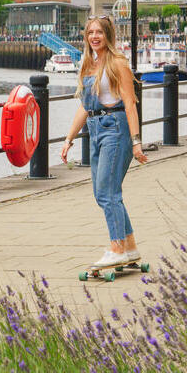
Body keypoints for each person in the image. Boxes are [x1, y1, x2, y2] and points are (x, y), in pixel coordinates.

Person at [61, 15, 148, 268]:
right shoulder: (88, 64)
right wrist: (69, 139)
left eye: (99, 32)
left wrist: (136, 142)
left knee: (109, 193)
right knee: (103, 194)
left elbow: (130, 104)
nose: (94, 37)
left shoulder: (118, 63)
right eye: (90, 33)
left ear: (108, 36)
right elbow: (85, 107)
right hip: (95, 129)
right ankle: (129, 247)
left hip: (116, 129)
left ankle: (116, 247)